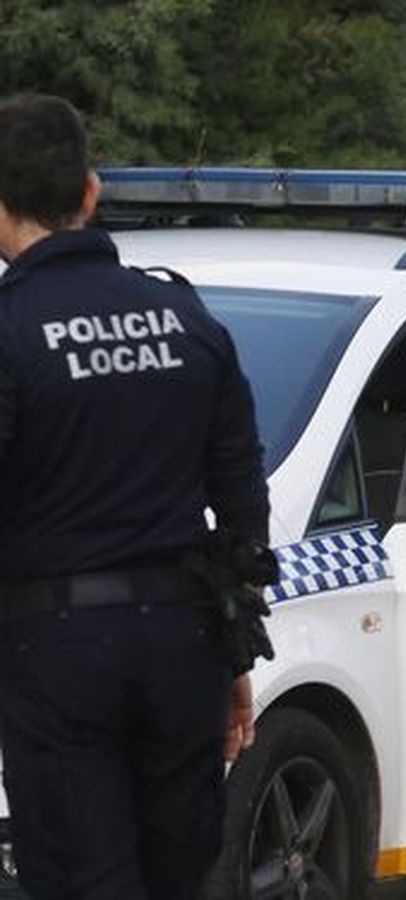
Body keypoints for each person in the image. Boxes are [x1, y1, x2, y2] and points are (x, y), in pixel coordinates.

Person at [0, 93, 269, 900]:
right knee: (178, 877)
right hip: (184, 646)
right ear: (90, 192)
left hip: (55, 656)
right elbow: (242, 498)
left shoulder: (9, 331)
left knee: (84, 881)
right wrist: (236, 655)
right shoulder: (185, 316)